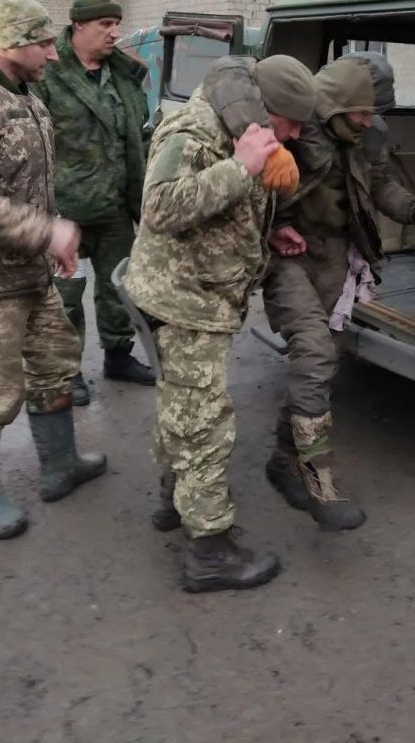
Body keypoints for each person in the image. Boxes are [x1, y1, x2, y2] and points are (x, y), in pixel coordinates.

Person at [123, 54, 317, 593]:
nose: (296, 135)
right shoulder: (196, 130)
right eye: (292, 122)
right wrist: (241, 168)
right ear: (265, 104)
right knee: (205, 423)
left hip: (202, 296)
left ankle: (173, 499)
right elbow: (160, 208)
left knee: (183, 407)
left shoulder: (248, 130)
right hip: (184, 301)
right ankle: (210, 551)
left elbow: (226, 210)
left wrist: (268, 236)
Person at [262, 51, 415, 531]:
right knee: (313, 353)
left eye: (375, 114)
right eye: (363, 113)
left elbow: (382, 184)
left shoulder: (369, 135)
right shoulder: (294, 129)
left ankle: (285, 459)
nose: (370, 123)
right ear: (336, 106)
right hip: (287, 253)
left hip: (338, 258)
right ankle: (318, 484)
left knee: (324, 360)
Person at [0, 0, 106, 540]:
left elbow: (32, 185)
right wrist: (48, 232)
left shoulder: (28, 94)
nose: (53, 52)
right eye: (43, 42)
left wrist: (54, 241)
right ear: (11, 44)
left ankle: (60, 465)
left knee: (55, 364)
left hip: (31, 274)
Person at [34, 0, 154, 406]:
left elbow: (138, 134)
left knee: (117, 287)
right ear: (78, 25)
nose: (114, 33)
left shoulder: (123, 74)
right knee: (67, 294)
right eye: (105, 24)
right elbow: (34, 144)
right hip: (69, 212)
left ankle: (118, 356)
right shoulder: (48, 76)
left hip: (117, 206)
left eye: (116, 24)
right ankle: (68, 372)